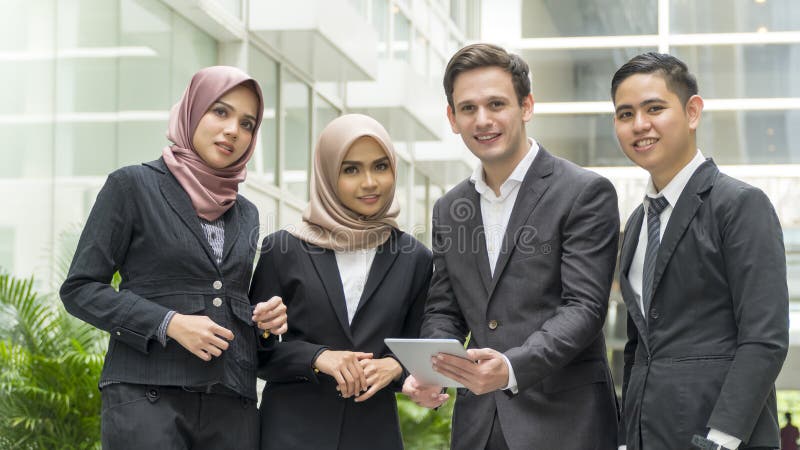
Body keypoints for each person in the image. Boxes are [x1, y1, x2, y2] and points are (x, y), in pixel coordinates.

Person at [402, 43, 620, 450]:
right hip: (479, 427)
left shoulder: (584, 192)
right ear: (452, 118)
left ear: (526, 106)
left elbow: (584, 308)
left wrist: (511, 368)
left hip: (566, 425)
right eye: (467, 108)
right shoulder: (450, 208)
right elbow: (445, 309)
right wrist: (434, 367)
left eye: (496, 104)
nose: (482, 120)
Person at [59, 66, 288, 449]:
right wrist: (168, 323)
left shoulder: (246, 212)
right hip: (147, 397)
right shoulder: (132, 186)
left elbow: (227, 297)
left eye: (247, 123)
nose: (233, 129)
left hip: (232, 405)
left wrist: (264, 320)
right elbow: (80, 289)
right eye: (220, 112)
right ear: (192, 111)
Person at [611, 52, 789, 450]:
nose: (639, 125)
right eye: (625, 114)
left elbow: (765, 338)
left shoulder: (740, 204)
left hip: (719, 439)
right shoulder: (638, 224)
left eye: (654, 108)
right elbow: (639, 348)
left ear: (692, 112)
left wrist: (720, 440)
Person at [250, 114, 433, 450]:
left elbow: (421, 347)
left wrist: (395, 366)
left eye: (380, 166)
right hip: (290, 434)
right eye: (351, 169)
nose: (370, 182)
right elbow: (257, 351)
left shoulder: (414, 258)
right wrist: (318, 357)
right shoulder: (283, 248)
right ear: (327, 174)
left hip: (373, 434)